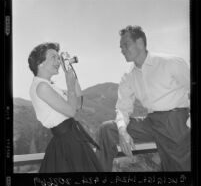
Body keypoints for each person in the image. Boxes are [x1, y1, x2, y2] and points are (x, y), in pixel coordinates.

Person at [95, 25, 190, 171]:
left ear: (139, 42)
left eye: (125, 45)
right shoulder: (128, 76)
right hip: (151, 122)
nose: (122, 50)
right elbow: (122, 107)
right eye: (120, 47)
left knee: (178, 168)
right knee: (107, 129)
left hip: (175, 121)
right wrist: (122, 131)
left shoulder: (170, 63)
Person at [28, 42, 103, 172]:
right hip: (67, 144)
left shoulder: (50, 86)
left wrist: (69, 71)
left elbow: (78, 103)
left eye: (59, 57)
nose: (58, 61)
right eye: (53, 57)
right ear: (40, 63)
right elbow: (71, 111)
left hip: (72, 139)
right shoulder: (42, 87)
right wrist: (69, 83)